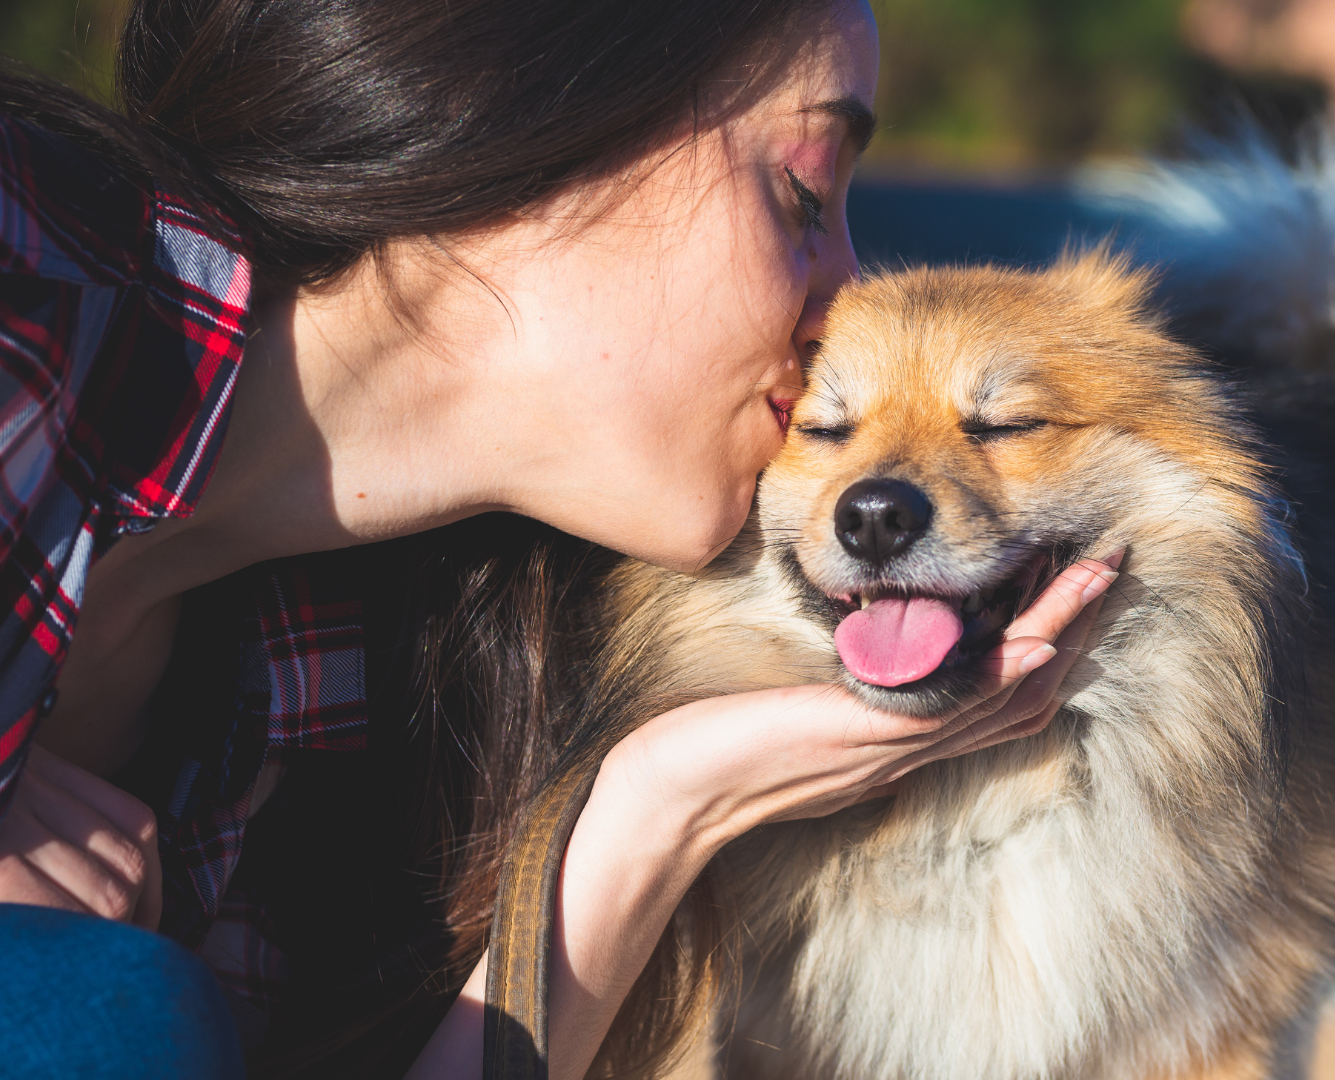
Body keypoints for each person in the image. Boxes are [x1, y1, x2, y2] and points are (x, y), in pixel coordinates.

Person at [0, 1, 1115, 1076]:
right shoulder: (30, 273)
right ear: (526, 106)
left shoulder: (367, 683)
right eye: (803, 193)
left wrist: (659, 809)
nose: (845, 298)